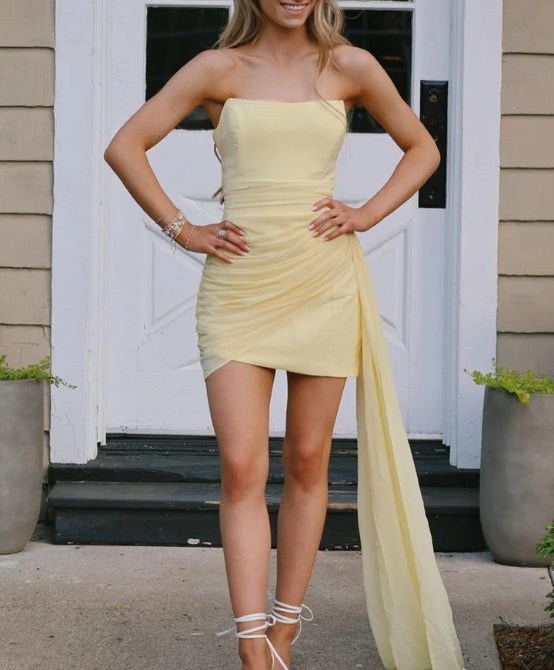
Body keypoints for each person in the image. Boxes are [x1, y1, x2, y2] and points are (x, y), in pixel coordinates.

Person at [104, 1, 467, 669]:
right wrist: (183, 229)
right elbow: (124, 146)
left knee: (306, 461)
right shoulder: (217, 68)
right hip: (239, 289)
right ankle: (251, 647)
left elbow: (423, 148)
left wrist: (366, 214)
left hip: (323, 283)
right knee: (242, 468)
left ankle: (284, 634)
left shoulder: (350, 66)